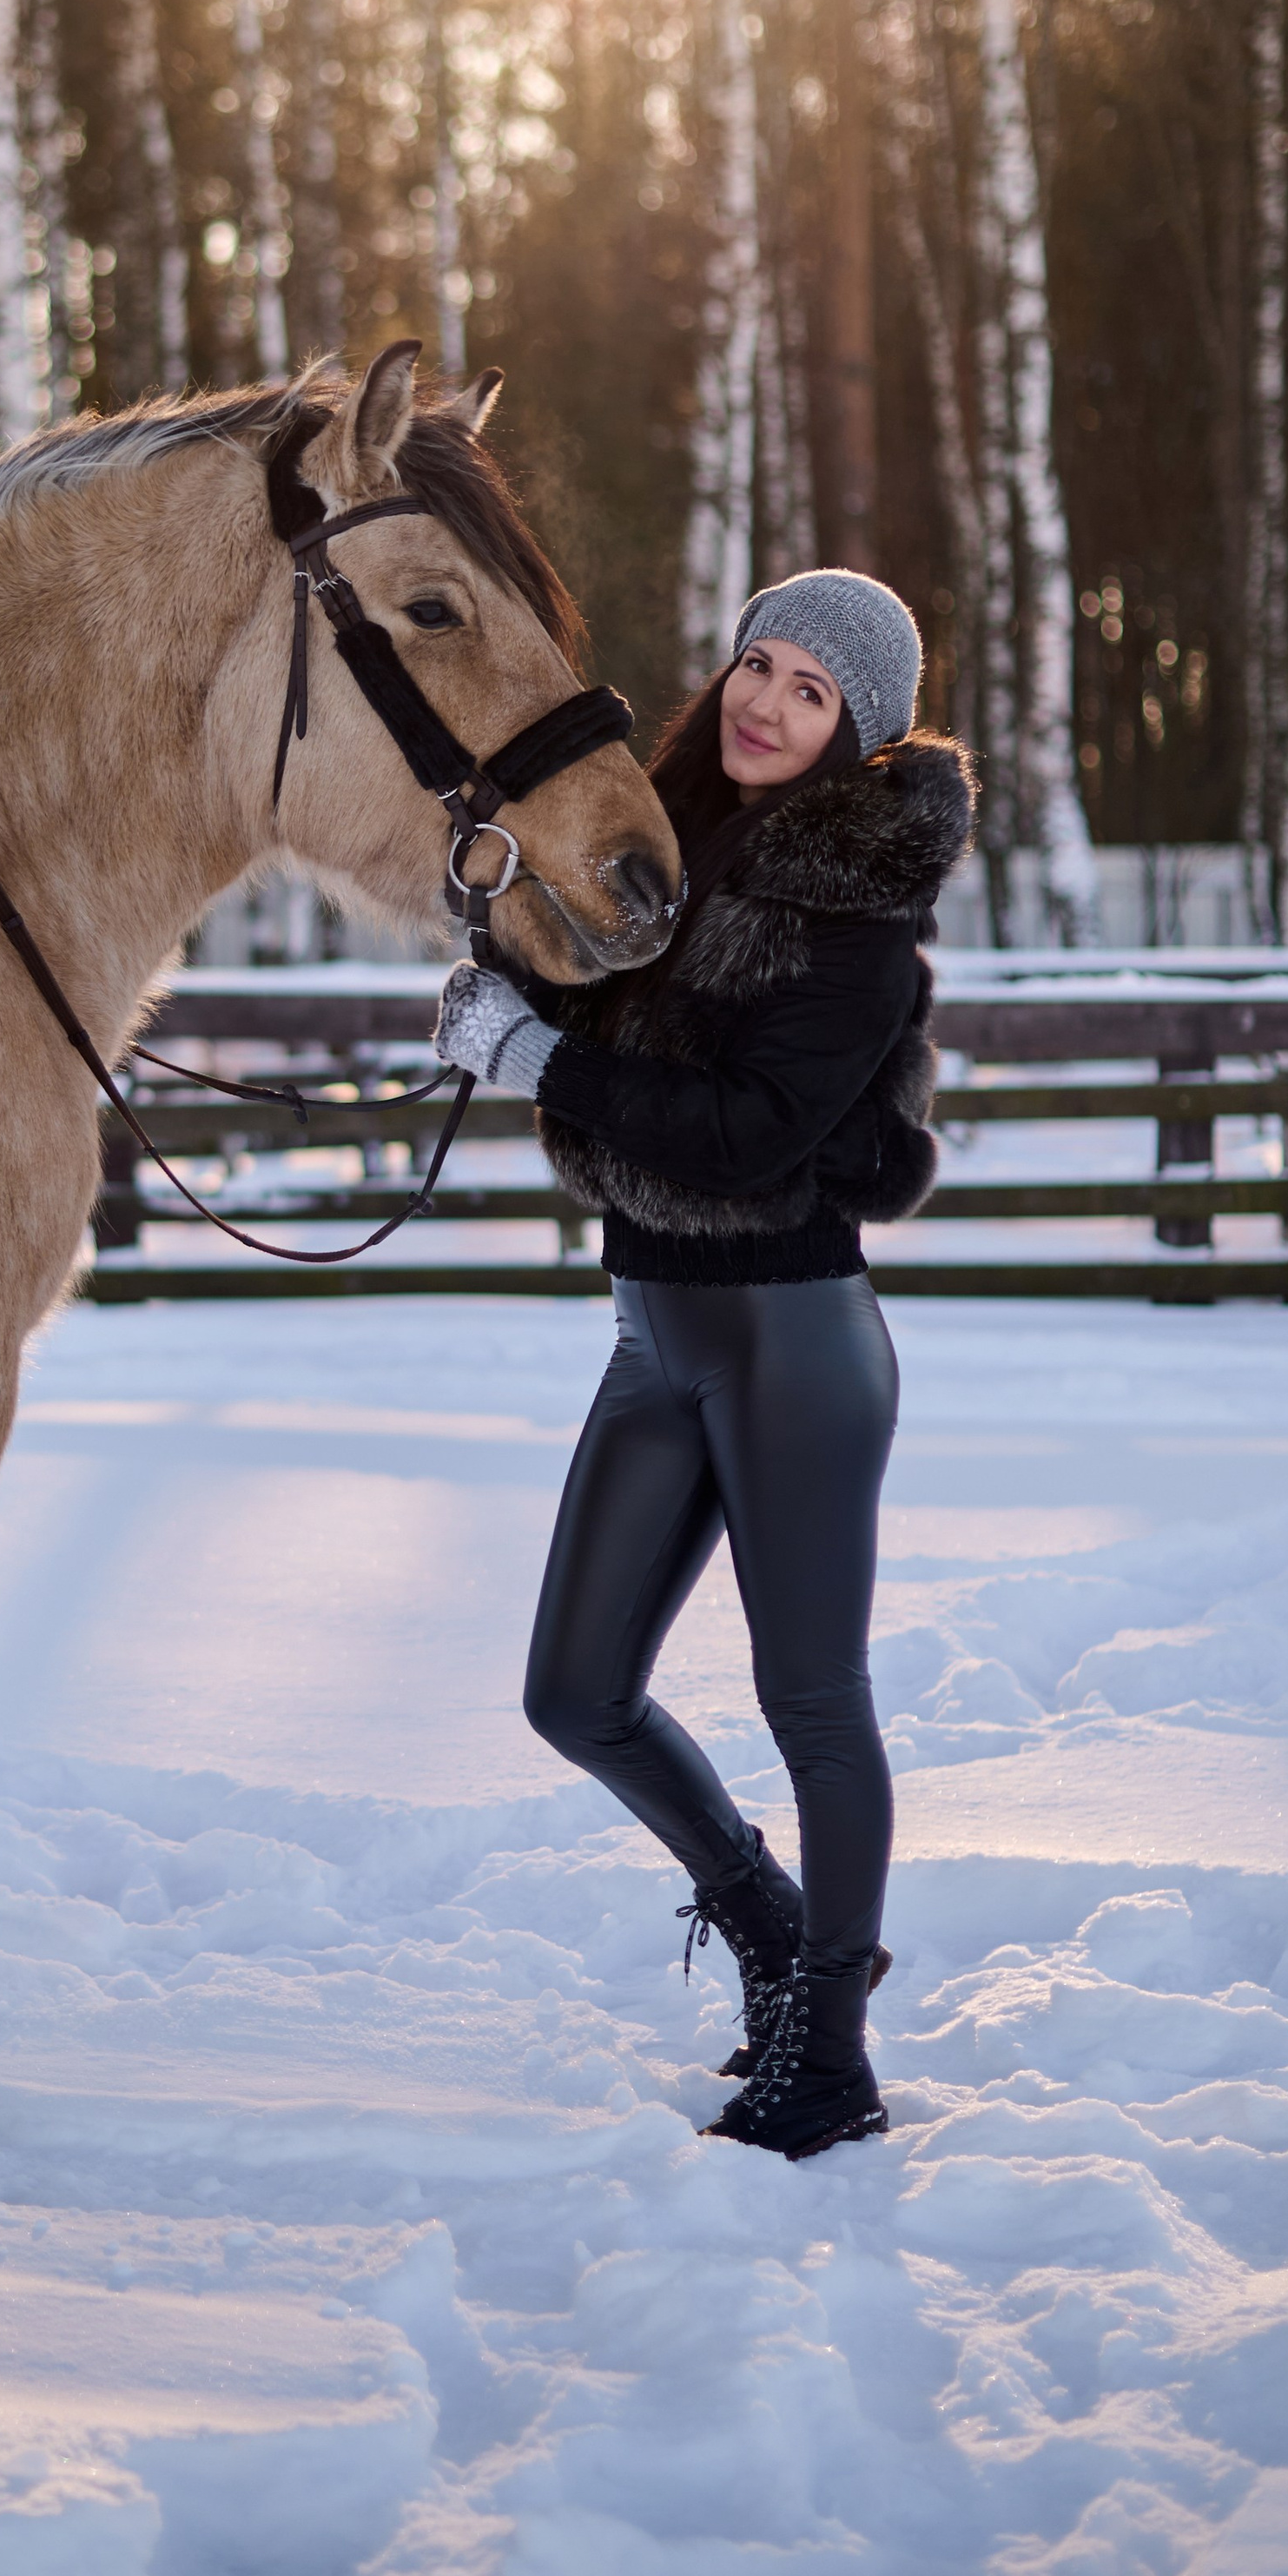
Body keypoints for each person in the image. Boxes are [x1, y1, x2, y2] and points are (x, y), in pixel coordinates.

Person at [432, 571, 975, 2161]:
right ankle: (770, 1921)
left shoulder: (857, 929)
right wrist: (503, 988)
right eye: (759, 662)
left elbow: (744, 1137)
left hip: (795, 1342)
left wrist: (544, 1061)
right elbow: (592, 1008)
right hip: (653, 1334)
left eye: (812, 691)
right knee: (574, 1692)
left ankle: (832, 2048)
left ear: (856, 737)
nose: (766, 701)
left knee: (815, 1701)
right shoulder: (657, 853)